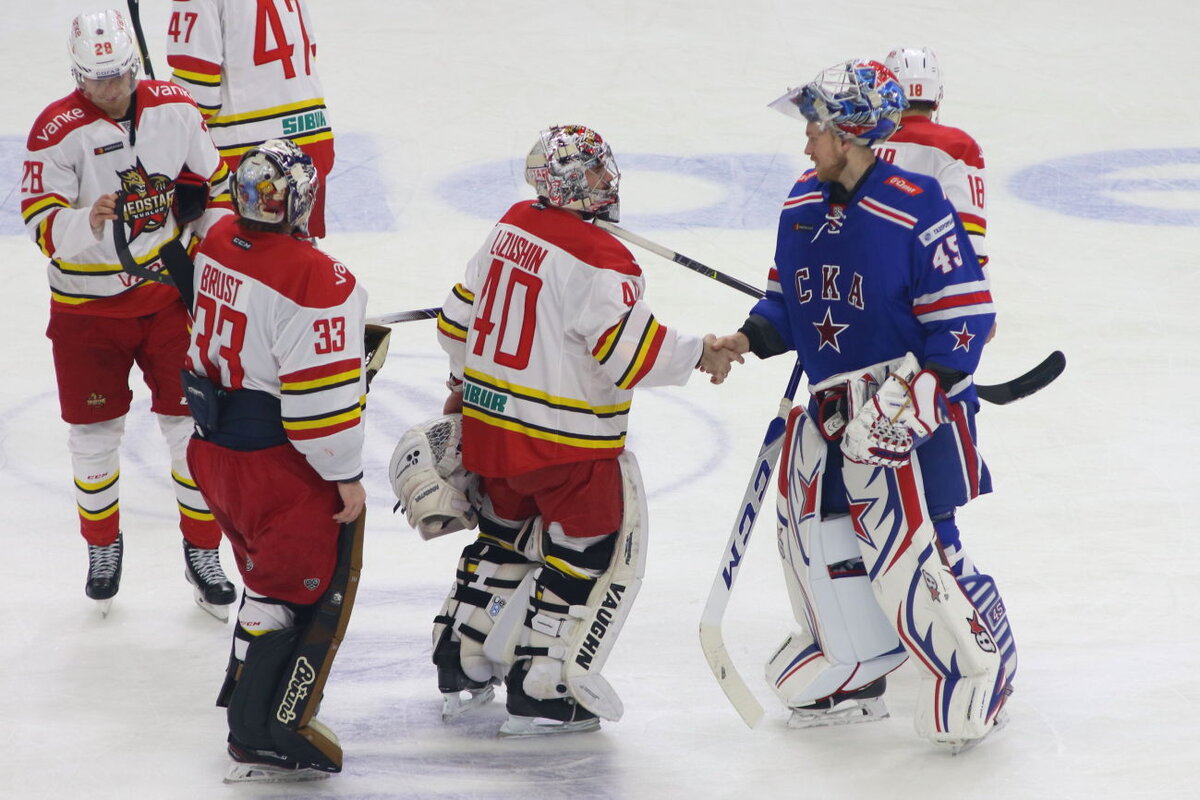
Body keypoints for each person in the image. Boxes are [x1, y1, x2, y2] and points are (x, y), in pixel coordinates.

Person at [390, 124, 735, 736]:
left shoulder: (511, 225)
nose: (607, 180)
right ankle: (544, 688)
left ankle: (461, 654)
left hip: (493, 431)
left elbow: (453, 325)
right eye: (595, 171)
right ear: (571, 183)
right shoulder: (604, 260)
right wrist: (701, 352)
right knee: (584, 554)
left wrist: (466, 384)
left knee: (501, 539)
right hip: (566, 444)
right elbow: (630, 356)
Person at [712, 60, 1017, 751]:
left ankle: (982, 666)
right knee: (819, 540)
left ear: (849, 134)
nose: (805, 142)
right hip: (831, 408)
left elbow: (965, 317)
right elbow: (786, 306)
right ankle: (854, 667)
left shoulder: (916, 204)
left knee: (928, 542)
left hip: (912, 406)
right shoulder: (799, 201)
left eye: (815, 128)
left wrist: (922, 396)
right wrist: (744, 339)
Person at [19, 7, 235, 618]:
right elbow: (40, 225)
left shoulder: (176, 107)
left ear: (134, 66)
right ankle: (102, 546)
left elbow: (217, 188)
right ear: (76, 73)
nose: (108, 89)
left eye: (116, 75)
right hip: (86, 311)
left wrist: (206, 254)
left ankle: (203, 551)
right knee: (93, 436)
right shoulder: (54, 131)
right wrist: (86, 220)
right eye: (95, 78)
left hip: (166, 300)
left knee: (192, 429)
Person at [183, 138, 367, 782]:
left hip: (211, 452)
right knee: (292, 590)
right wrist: (346, 475)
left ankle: (243, 702)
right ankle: (256, 729)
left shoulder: (216, 238)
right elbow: (320, 409)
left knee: (264, 582)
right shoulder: (319, 279)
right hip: (272, 466)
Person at [165, 0, 335, 238]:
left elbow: (198, 95)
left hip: (254, 162)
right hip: (312, 140)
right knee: (298, 255)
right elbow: (308, 52)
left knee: (243, 257)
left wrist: (159, 120)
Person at [880, 47, 995, 340]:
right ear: (936, 94)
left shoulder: (860, 141)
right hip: (924, 291)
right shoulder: (957, 147)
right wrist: (979, 302)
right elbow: (967, 234)